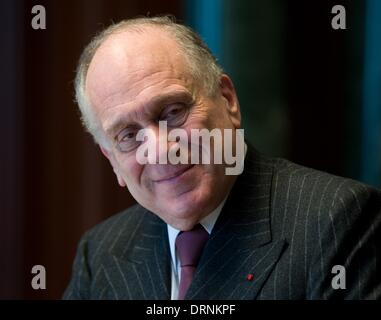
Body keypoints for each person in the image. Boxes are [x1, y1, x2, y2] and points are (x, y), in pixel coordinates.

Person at [63, 16, 380, 300]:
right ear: (111, 159)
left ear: (228, 100)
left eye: (173, 112)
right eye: (128, 135)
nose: (158, 149)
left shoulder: (336, 220)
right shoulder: (101, 253)